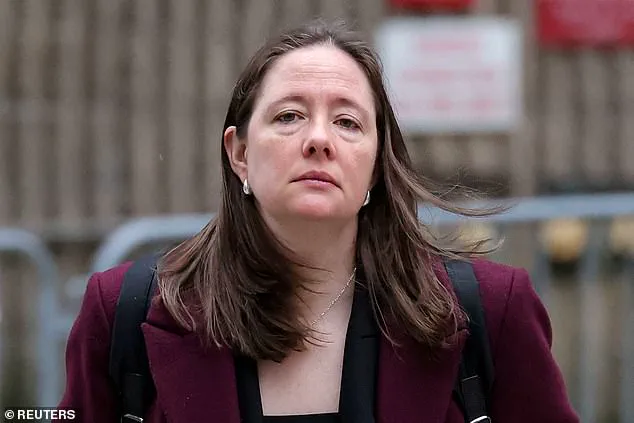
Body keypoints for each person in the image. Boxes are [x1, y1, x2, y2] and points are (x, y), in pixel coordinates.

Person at [58, 19, 579, 423]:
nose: (319, 139)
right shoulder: (123, 311)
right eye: (289, 116)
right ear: (239, 153)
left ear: (376, 166)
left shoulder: (490, 311)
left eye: (348, 122)